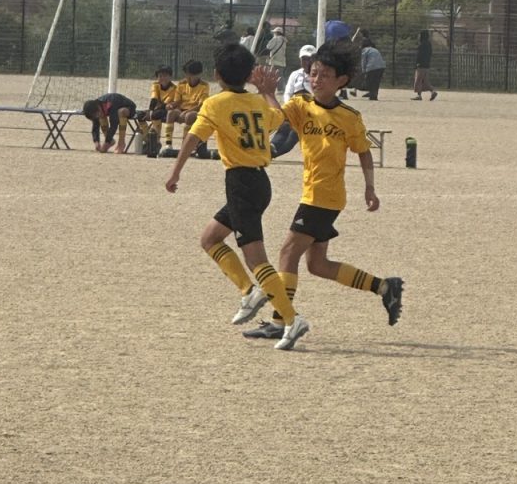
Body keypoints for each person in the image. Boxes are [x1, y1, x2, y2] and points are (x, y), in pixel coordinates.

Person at [243, 42, 403, 341]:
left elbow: (364, 151)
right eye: (313, 73)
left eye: (325, 75)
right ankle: (385, 287)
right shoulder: (302, 105)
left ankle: (280, 320)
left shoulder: (349, 117)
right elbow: (277, 119)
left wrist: (370, 187)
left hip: (324, 197)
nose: (316, 80)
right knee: (317, 265)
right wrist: (267, 92)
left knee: (288, 253)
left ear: (341, 80)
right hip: (314, 194)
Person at [164, 43, 310, 351]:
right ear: (248, 75)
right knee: (210, 239)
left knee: (256, 258)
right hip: (259, 182)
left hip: (241, 182)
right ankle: (248, 291)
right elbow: (278, 117)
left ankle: (290, 318)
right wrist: (268, 91)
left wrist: (175, 172)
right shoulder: (256, 101)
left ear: (217, 74)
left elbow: (193, 137)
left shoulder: (215, 104)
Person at [270, 43, 315, 158]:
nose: (307, 62)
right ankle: (272, 146)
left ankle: (272, 154)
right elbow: (288, 92)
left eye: (310, 59)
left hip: (309, 110)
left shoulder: (319, 76)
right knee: (284, 128)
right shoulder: (295, 74)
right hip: (293, 106)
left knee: (292, 138)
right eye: (304, 59)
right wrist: (289, 107)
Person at [161, 60, 210, 158]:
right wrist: (171, 105)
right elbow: (178, 101)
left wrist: (188, 111)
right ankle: (168, 144)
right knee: (170, 113)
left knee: (189, 116)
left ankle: (185, 145)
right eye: (187, 74)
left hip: (195, 111)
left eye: (191, 75)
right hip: (182, 110)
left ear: (198, 74)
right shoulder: (182, 83)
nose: (188, 77)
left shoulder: (204, 85)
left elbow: (201, 105)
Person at [413, 30, 438, 101]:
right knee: (424, 81)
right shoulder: (429, 44)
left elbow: (419, 55)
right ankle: (430, 92)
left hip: (421, 65)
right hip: (427, 65)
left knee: (418, 80)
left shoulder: (422, 45)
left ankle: (422, 94)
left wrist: (417, 63)